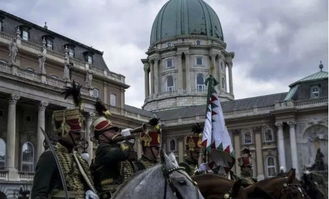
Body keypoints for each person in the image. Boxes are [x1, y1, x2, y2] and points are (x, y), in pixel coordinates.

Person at [31, 82, 97, 199]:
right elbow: (38, 194)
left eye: (80, 133)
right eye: (76, 133)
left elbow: (85, 183)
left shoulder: (78, 158)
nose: (80, 137)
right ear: (64, 131)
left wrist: (88, 191)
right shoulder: (50, 156)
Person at [90, 101, 136, 199]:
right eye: (111, 131)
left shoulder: (115, 147)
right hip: (107, 195)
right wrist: (127, 141)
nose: (116, 133)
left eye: (115, 131)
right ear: (102, 137)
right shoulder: (102, 149)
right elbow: (122, 154)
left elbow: (131, 156)